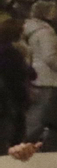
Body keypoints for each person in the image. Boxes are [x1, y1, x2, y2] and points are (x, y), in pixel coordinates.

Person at [23, 1, 57, 140]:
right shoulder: (45, 33)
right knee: (40, 113)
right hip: (48, 77)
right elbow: (49, 56)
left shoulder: (31, 29)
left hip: (38, 75)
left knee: (36, 111)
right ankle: (31, 139)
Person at [0, 18, 31, 150]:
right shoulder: (11, 52)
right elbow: (29, 72)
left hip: (7, 97)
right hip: (12, 97)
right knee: (14, 136)